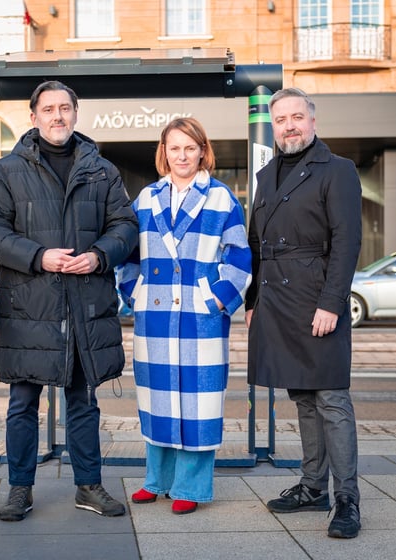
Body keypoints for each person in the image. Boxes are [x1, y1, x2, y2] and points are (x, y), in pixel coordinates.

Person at [0, 80, 138, 522]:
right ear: (34, 117)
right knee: (22, 405)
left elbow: (125, 225)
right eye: (48, 109)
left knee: (83, 403)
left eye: (65, 108)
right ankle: (19, 489)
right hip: (30, 307)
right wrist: (38, 256)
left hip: (84, 306)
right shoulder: (7, 171)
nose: (57, 116)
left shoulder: (102, 170)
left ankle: (89, 485)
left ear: (75, 114)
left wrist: (99, 255)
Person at [244, 87, 363, 539]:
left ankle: (347, 498)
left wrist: (331, 303)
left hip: (317, 299)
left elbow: (347, 241)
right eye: (281, 120)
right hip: (277, 301)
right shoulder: (266, 175)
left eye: (297, 117)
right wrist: (253, 302)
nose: (289, 126)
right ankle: (313, 487)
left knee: (331, 399)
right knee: (303, 398)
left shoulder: (338, 170)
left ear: (313, 120)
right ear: (273, 127)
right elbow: (256, 244)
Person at [117, 117, 252, 515]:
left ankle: (191, 486)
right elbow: (127, 256)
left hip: (200, 316)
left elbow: (239, 259)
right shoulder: (146, 198)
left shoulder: (222, 199)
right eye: (174, 148)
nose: (182, 156)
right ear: (164, 152)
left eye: (190, 148)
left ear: (202, 151)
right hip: (155, 316)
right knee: (157, 397)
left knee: (198, 401)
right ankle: (156, 481)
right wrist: (135, 293)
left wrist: (216, 301)